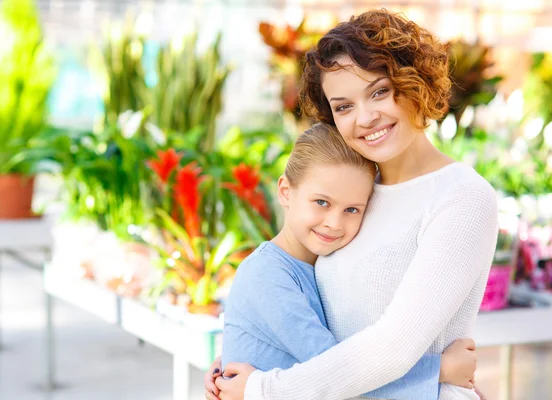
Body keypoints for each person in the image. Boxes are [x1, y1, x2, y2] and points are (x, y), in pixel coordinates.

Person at [207, 9, 498, 400]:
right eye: (343, 106)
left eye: (379, 92)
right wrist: (247, 357)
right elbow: (309, 313)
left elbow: (392, 348)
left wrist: (262, 388)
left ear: (415, 84)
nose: (365, 117)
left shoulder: (461, 197)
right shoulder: (356, 197)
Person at [214, 123, 477, 400]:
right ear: (285, 191)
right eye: (322, 202)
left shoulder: (320, 265)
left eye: (351, 209)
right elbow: (338, 373)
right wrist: (440, 370)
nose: (334, 223)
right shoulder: (266, 274)